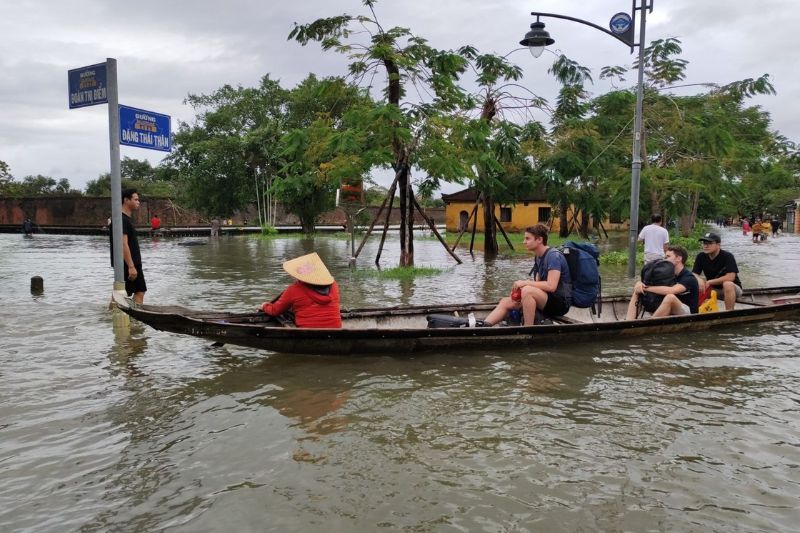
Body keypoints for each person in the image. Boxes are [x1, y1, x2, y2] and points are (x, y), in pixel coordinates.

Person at [483, 224, 571, 326]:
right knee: (506, 301)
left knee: (528, 291)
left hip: (560, 304)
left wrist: (525, 284)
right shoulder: (538, 257)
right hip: (546, 299)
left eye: (527, 238)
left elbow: (551, 286)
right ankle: (482, 327)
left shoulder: (553, 256)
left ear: (539, 240)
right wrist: (520, 293)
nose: (524, 242)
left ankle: (527, 329)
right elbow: (539, 284)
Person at [259, 252, 342, 328]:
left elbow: (275, 310)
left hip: (306, 333)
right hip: (336, 330)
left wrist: (264, 306)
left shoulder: (294, 290)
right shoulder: (334, 285)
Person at [626, 244, 699, 319]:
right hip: (671, 310)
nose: (665, 260)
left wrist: (645, 288)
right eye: (665, 257)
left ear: (678, 258)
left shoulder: (688, 277)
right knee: (638, 290)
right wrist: (640, 284)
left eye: (668, 257)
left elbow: (672, 290)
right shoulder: (665, 276)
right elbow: (651, 285)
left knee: (670, 297)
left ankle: (650, 324)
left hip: (689, 314)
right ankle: (628, 322)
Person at [111, 188, 147, 304]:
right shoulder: (121, 220)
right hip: (128, 264)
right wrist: (131, 266)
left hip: (128, 263)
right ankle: (136, 320)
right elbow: (122, 243)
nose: (138, 202)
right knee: (138, 291)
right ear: (126, 200)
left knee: (121, 293)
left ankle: (108, 317)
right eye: (136, 199)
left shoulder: (123, 219)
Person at [693, 232, 742, 311]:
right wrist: (699, 280)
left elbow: (731, 277)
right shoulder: (701, 256)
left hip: (732, 289)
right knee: (694, 283)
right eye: (704, 243)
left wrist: (710, 282)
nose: (705, 246)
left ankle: (729, 312)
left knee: (727, 284)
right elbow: (694, 273)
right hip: (712, 289)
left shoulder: (727, 256)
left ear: (718, 245)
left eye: (709, 243)